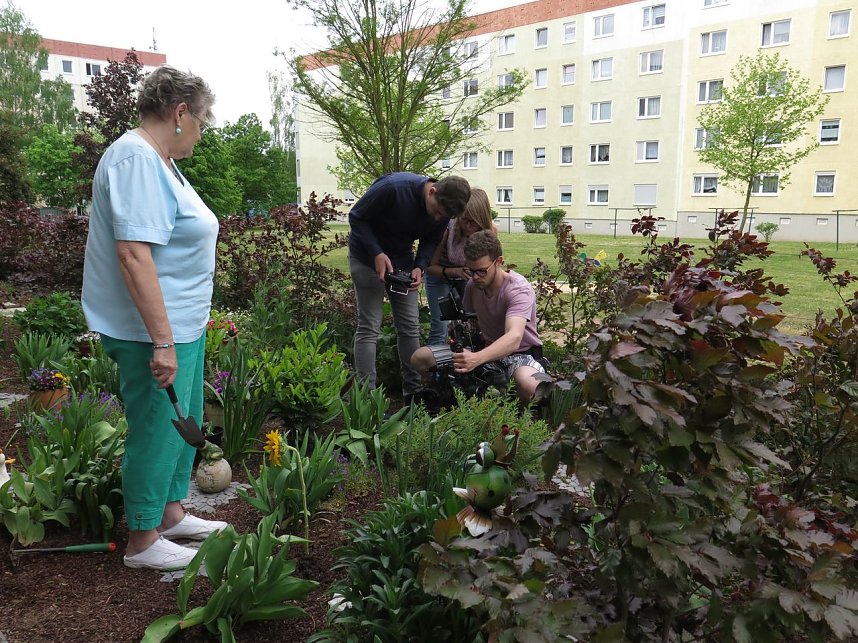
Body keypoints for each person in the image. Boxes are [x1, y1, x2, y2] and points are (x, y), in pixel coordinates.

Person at [81, 65, 226, 571]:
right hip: (152, 333)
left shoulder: (160, 161)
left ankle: (169, 514)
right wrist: (162, 341)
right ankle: (143, 541)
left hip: (179, 326)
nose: (203, 132)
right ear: (180, 112)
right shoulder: (135, 158)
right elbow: (134, 255)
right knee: (155, 426)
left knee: (177, 423)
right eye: (203, 120)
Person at [349, 172, 471, 402]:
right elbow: (356, 217)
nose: (437, 218)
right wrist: (376, 253)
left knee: (409, 326)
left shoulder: (444, 209)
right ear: (432, 190)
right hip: (366, 258)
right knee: (369, 326)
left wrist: (420, 266)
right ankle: (366, 399)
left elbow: (431, 239)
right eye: (436, 211)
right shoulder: (393, 188)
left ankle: (413, 393)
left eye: (442, 216)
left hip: (403, 263)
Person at [411, 230, 546, 404]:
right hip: (482, 351)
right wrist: (464, 346)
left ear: (499, 262)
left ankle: (523, 416)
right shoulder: (473, 286)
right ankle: (446, 399)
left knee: (530, 385)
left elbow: (514, 337)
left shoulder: (518, 289)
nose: (475, 277)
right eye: (470, 270)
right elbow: (469, 324)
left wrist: (477, 358)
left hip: (521, 356)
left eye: (481, 271)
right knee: (420, 358)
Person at [424, 188, 496, 345]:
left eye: (473, 222)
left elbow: (493, 266)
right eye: (464, 220)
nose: (468, 226)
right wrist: (454, 271)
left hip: (468, 278)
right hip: (439, 275)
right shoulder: (447, 229)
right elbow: (429, 267)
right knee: (440, 325)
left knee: (474, 322)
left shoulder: (490, 232)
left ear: (482, 219)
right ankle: (436, 366)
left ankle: (474, 362)